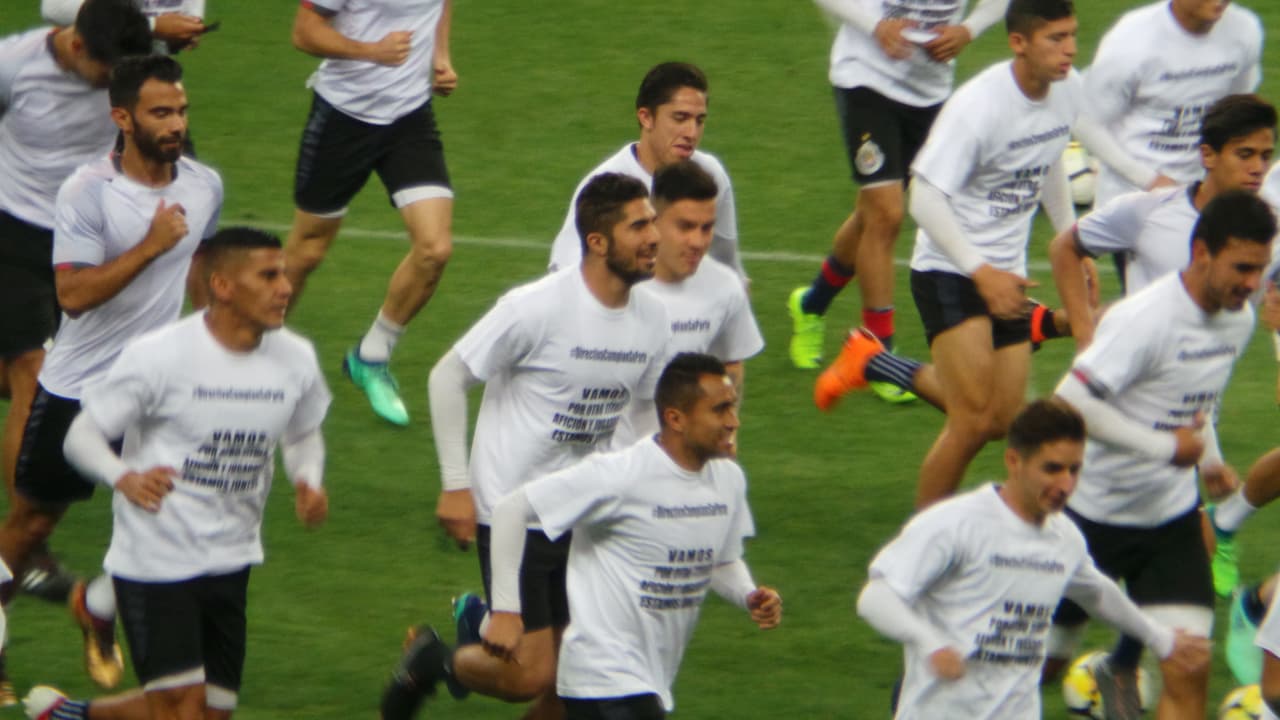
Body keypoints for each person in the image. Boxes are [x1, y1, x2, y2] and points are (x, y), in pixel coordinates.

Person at [380, 173, 671, 720]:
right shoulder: (536, 307)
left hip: (586, 512)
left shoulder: (653, 319)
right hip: (514, 509)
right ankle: (436, 659)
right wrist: (456, 487)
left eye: (652, 220)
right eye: (640, 225)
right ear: (598, 242)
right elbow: (447, 377)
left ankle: (479, 626)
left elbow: (641, 414)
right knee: (529, 675)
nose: (655, 235)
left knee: (579, 677)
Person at [19, 227, 331, 720]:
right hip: (155, 557)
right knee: (181, 710)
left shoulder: (296, 358)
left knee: (210, 711)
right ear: (223, 286)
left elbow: (303, 433)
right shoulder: (160, 356)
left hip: (232, 556)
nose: (285, 288)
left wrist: (307, 479)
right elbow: (81, 437)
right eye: (269, 276)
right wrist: (124, 477)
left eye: (285, 275)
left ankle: (73, 716)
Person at [0, 53, 221, 691]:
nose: (175, 122)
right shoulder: (87, 192)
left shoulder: (203, 186)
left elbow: (200, 275)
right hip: (77, 392)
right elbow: (72, 295)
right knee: (32, 526)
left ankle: (95, 607)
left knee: (179, 531)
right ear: (122, 117)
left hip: (159, 394)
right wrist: (150, 244)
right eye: (160, 111)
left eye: (180, 109)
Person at [819, 0, 1081, 509]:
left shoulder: (1068, 92)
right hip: (952, 268)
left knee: (1004, 420)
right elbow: (924, 198)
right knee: (971, 422)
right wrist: (980, 272)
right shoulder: (979, 106)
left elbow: (1049, 156)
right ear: (1020, 42)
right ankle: (920, 554)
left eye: (1072, 36)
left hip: (1007, 275)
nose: (1070, 49)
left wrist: (1073, 242)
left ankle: (873, 361)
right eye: (1057, 38)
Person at [1046, 191, 1276, 718]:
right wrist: (1163, 448)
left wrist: (1209, 461)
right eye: (1242, 268)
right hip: (1090, 520)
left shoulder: (1238, 321)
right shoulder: (1143, 319)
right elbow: (1070, 404)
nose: (1251, 283)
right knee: (1040, 663)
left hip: (1168, 525)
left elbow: (1196, 399)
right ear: (1201, 254)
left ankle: (1117, 669)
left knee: (1189, 665)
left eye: (1260, 269)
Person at [1050, 93, 1275, 603]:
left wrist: (1210, 458)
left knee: (1176, 584)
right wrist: (1088, 337)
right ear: (1208, 155)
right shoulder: (1149, 213)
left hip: (1187, 412)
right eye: (1246, 154)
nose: (1259, 167)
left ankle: (1128, 657)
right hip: (1122, 405)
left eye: (1266, 155)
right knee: (1074, 578)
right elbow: (1066, 247)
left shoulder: (1264, 230)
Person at [857, 398, 1209, 719]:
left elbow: (1097, 592)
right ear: (1014, 461)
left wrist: (1162, 640)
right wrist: (928, 643)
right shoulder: (956, 524)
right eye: (1052, 469)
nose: (1066, 485)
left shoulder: (1064, 538)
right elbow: (876, 597)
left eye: (1074, 470)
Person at [478, 353, 780, 719]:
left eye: (732, 407)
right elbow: (512, 510)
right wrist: (507, 610)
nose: (734, 421)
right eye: (719, 410)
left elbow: (722, 560)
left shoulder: (728, 480)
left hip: (653, 677)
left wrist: (748, 593)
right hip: (603, 676)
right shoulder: (620, 476)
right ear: (676, 419)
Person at [0, 0, 151, 631]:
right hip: (12, 234)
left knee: (44, 378)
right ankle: (23, 546)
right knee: (35, 376)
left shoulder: (124, 69)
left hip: (82, 242)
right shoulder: (13, 63)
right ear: (78, 47)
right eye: (107, 72)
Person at [787, 0, 1009, 401]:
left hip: (930, 91)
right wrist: (876, 26)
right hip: (866, 79)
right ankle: (878, 356)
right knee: (887, 214)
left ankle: (811, 303)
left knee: (873, 215)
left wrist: (969, 29)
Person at [284, 0, 457, 427]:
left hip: (410, 118)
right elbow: (304, 31)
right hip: (344, 117)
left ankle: (371, 356)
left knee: (434, 249)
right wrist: (371, 51)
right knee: (307, 251)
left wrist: (440, 57)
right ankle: (252, 355)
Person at [547, 62, 745, 282]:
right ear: (646, 117)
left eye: (699, 121)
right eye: (680, 118)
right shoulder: (606, 185)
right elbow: (565, 270)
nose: (691, 132)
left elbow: (727, 263)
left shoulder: (710, 174)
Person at [618, 160, 763, 444]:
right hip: (621, 464)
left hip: (686, 466)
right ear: (653, 222)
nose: (698, 241)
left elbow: (731, 365)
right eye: (685, 227)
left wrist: (726, 437)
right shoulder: (620, 287)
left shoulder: (724, 286)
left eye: (706, 228)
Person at [42, 0, 213, 55]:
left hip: (156, 81)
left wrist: (191, 20)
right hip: (94, 84)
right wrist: (150, 25)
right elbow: (55, 8)